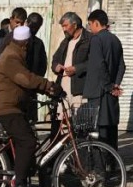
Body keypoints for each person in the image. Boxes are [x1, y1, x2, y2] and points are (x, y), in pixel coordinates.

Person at [0, 24, 58, 187]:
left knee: (27, 139)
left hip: (13, 106)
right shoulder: (12, 57)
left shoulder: (14, 53)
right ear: (26, 43)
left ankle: (22, 178)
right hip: (7, 108)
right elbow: (25, 78)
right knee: (28, 142)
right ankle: (18, 185)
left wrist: (47, 91)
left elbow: (24, 80)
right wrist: (48, 85)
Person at [82, 9, 125, 152]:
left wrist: (109, 86)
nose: (90, 28)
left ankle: (101, 169)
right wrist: (116, 84)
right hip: (111, 94)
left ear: (96, 23)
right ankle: (112, 164)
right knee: (111, 130)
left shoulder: (97, 40)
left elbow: (99, 65)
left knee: (99, 133)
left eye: (90, 25)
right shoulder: (115, 40)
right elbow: (122, 66)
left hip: (99, 93)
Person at [51, 11, 90, 134]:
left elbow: (94, 63)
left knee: (79, 124)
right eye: (62, 26)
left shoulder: (89, 40)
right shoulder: (65, 41)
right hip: (64, 88)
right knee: (63, 123)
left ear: (75, 24)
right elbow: (55, 59)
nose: (64, 29)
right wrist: (56, 67)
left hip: (79, 89)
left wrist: (76, 69)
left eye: (65, 26)